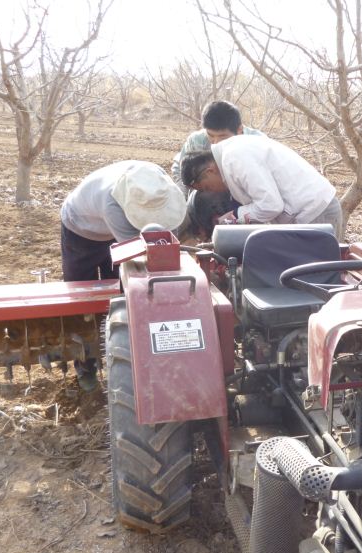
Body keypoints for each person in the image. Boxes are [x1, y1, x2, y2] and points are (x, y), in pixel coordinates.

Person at [60, 160, 186, 390]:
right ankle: (86, 364)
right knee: (83, 299)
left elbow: (167, 234)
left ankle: (127, 353)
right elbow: (136, 255)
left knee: (122, 294)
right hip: (82, 231)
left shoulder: (157, 182)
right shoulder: (112, 203)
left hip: (119, 230)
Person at [180, 135, 344, 240]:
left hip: (316, 212)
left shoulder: (234, 158)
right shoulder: (231, 153)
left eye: (206, 188)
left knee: (317, 276)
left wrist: (235, 215)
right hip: (306, 215)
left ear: (210, 171)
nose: (212, 192)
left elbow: (271, 206)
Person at [171, 101, 263, 241]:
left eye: (222, 137)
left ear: (239, 130)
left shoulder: (256, 142)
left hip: (243, 190)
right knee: (183, 216)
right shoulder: (197, 140)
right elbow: (185, 174)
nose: (216, 143)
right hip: (201, 186)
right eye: (211, 136)